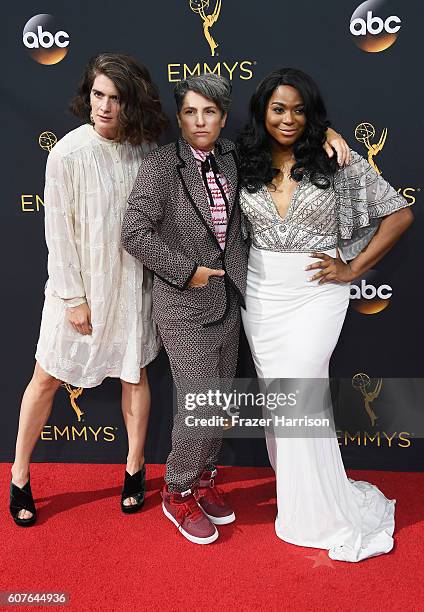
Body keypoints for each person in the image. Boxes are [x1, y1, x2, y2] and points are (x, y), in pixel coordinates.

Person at [122, 73, 350, 544]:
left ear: (224, 118)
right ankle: (177, 491)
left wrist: (327, 133)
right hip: (183, 305)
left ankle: (204, 480)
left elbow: (287, 138)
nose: (199, 120)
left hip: (235, 303)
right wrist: (187, 271)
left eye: (209, 112)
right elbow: (133, 232)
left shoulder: (235, 156)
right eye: (190, 112)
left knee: (220, 402)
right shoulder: (162, 166)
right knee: (199, 403)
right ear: (179, 118)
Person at [237, 68, 413, 561]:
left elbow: (399, 214)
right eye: (278, 109)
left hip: (317, 291)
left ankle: (319, 512)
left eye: (299, 109)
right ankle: (298, 499)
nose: (288, 119)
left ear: (312, 113)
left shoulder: (337, 161)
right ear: (262, 112)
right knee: (281, 399)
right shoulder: (241, 161)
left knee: (299, 386)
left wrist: (354, 266)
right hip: (262, 293)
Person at [9, 53, 168, 526]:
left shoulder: (146, 150)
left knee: (134, 375)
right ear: (88, 96)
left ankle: (134, 470)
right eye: (98, 95)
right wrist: (73, 297)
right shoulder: (67, 153)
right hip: (79, 288)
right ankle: (19, 476)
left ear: (131, 103)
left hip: (132, 285)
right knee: (45, 379)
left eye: (116, 98)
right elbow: (57, 231)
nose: (105, 106)